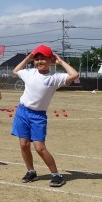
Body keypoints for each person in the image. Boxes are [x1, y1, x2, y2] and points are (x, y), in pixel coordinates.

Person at [11, 45, 79, 187]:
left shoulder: (55, 78)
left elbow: (74, 75)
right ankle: (31, 172)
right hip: (22, 112)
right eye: (37, 59)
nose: (39, 62)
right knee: (24, 144)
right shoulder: (29, 73)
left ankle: (56, 175)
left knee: (39, 147)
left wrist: (61, 62)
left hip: (38, 116)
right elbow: (15, 71)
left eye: (43, 59)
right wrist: (27, 58)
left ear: (50, 60)